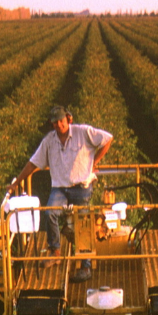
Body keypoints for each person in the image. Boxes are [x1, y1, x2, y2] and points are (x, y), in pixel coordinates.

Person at [9, 106, 113, 283]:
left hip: (82, 186)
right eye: (55, 122)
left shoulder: (83, 132)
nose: (58, 125)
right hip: (60, 188)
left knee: (83, 222)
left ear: (68, 119)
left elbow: (107, 139)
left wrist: (95, 161)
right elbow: (33, 163)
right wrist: (16, 183)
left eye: (61, 121)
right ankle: (55, 252)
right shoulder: (49, 141)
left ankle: (85, 265)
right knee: (50, 213)